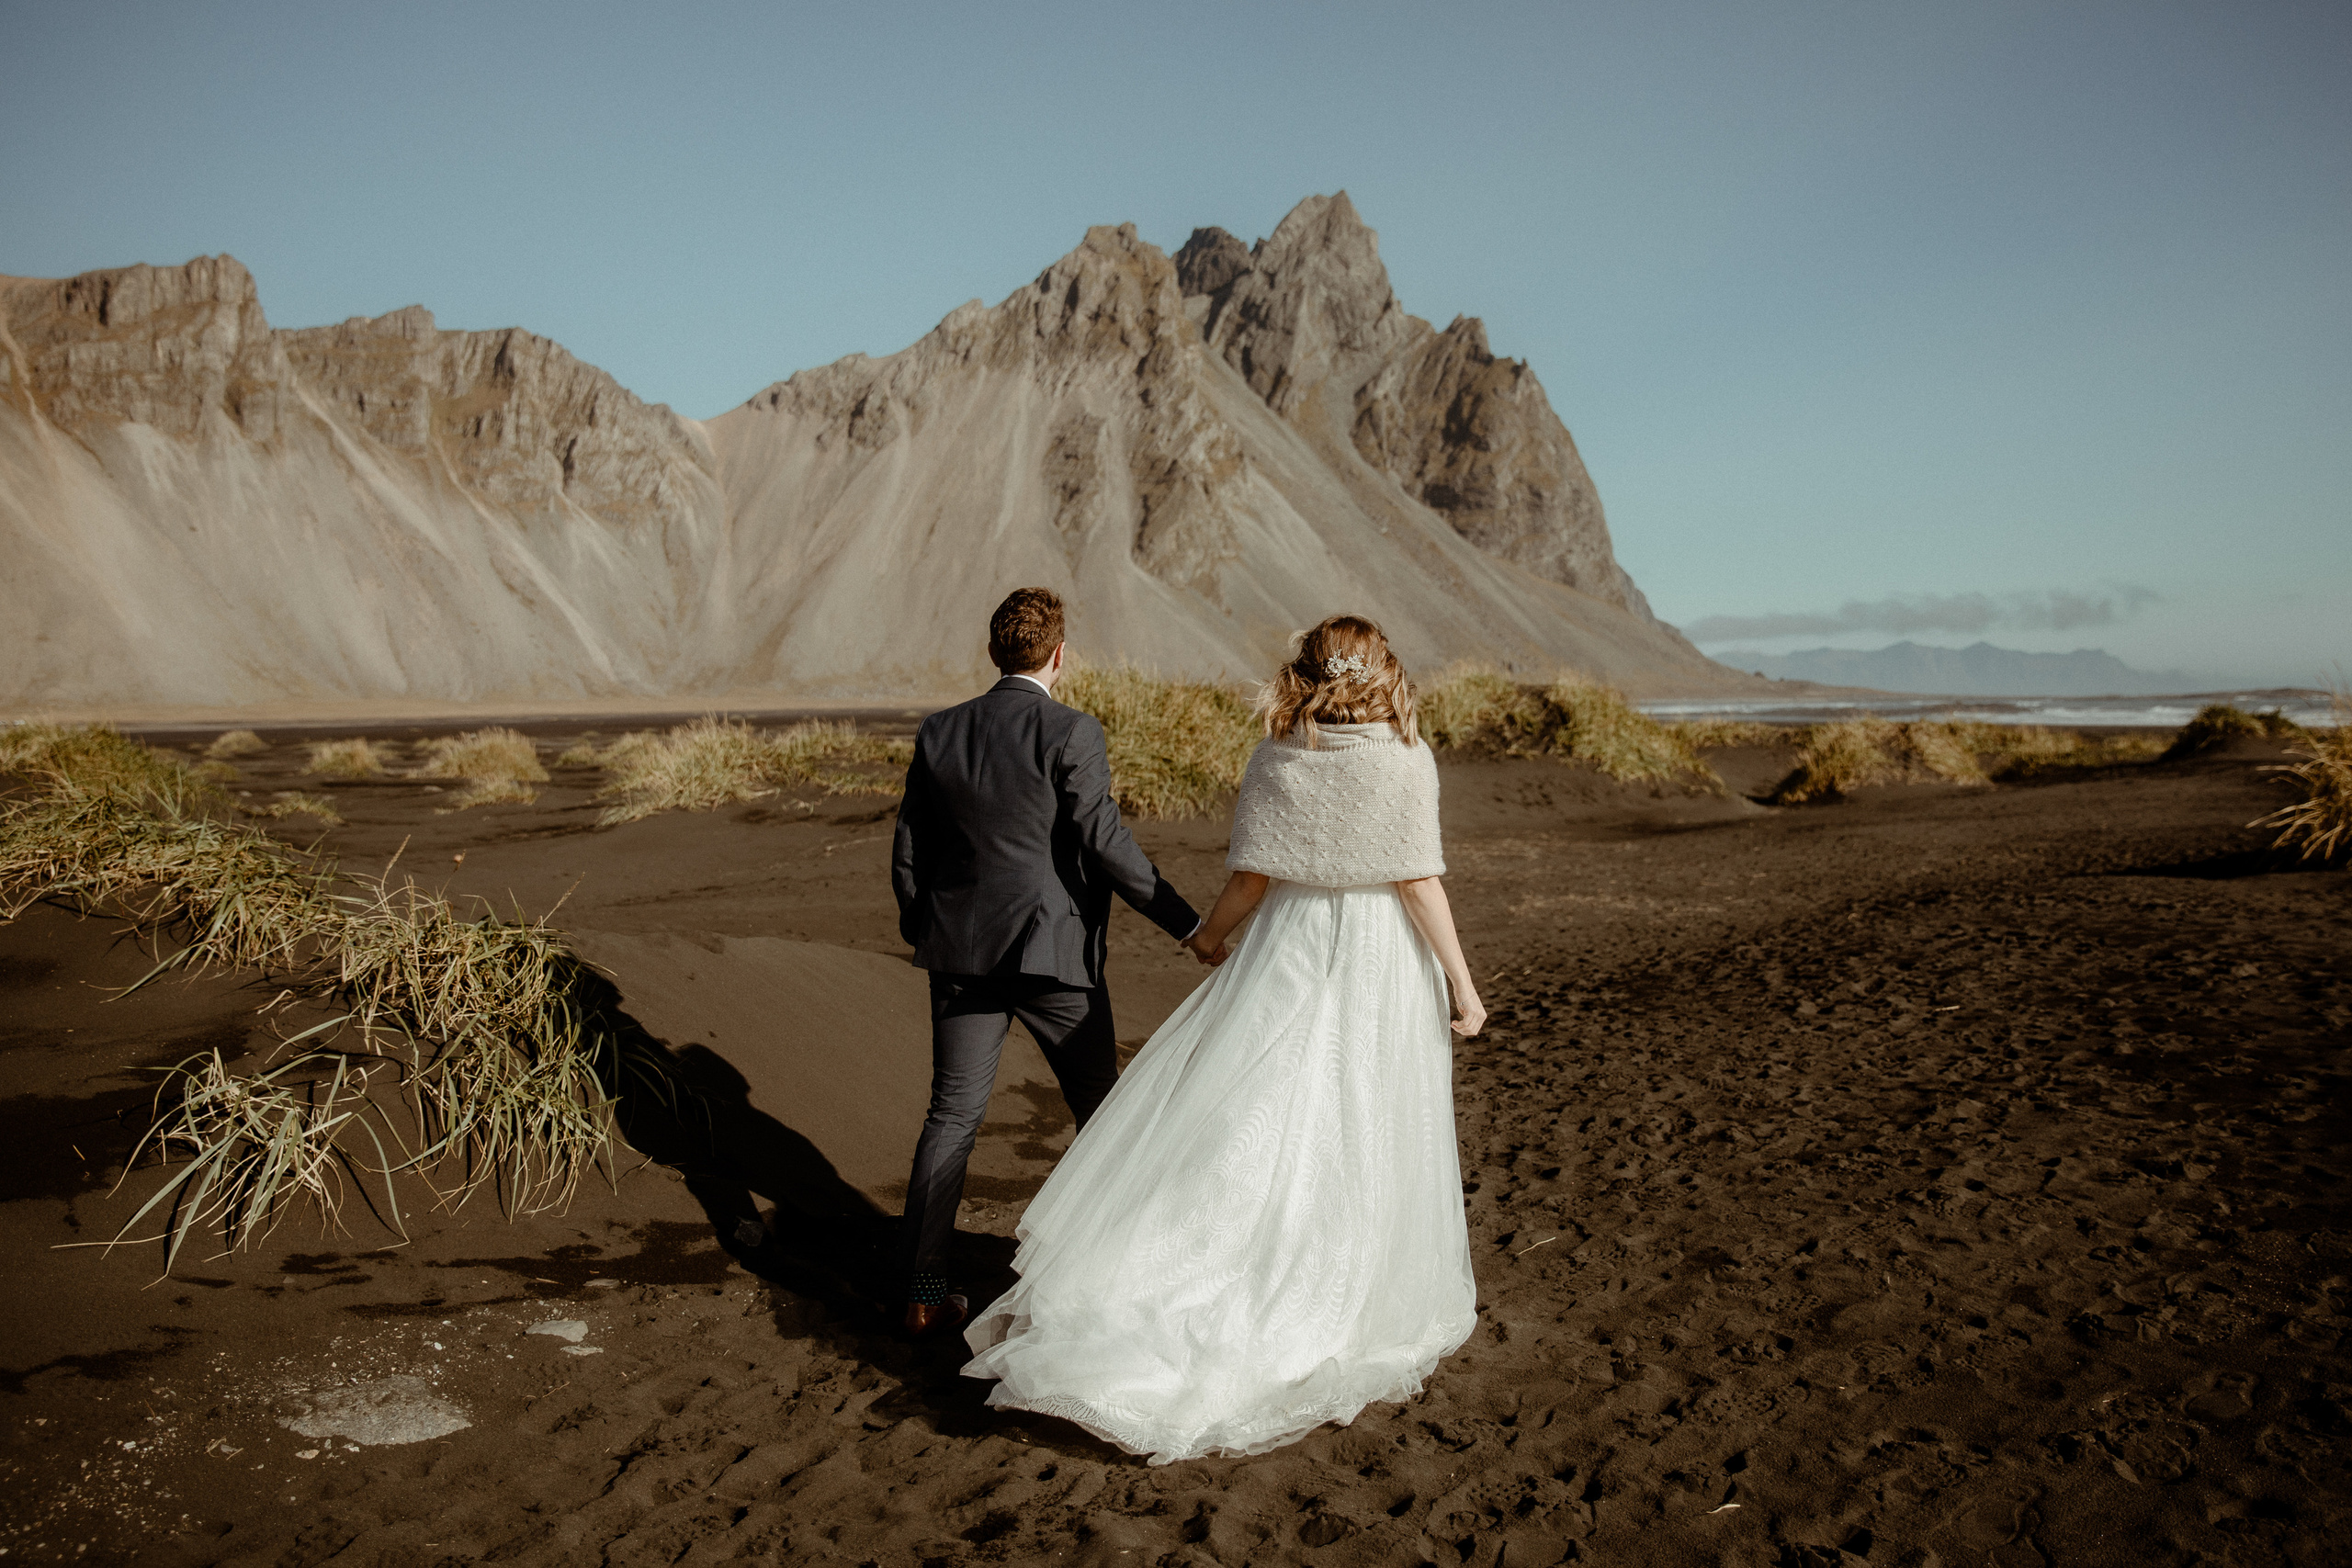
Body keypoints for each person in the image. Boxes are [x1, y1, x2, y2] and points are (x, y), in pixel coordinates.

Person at [961, 614, 1486, 1464]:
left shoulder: (1280, 755)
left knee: (1259, 1107)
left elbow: (1253, 875)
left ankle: (1210, 1262)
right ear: (1380, 673)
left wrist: (1211, 938)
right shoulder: (1404, 758)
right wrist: (1460, 981)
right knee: (1360, 1114)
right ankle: (1330, 1280)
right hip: (1381, 958)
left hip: (1292, 943)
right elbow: (1418, 880)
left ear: (1308, 675)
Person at [890, 586, 1212, 1337]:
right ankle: (1117, 1275)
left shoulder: (941, 731)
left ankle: (923, 1291)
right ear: (1060, 655)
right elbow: (1107, 844)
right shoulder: (1071, 730)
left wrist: (933, 928)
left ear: (995, 651)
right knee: (1104, 1115)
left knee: (951, 1118)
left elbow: (909, 851)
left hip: (961, 956)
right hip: (1054, 956)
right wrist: (1189, 923)